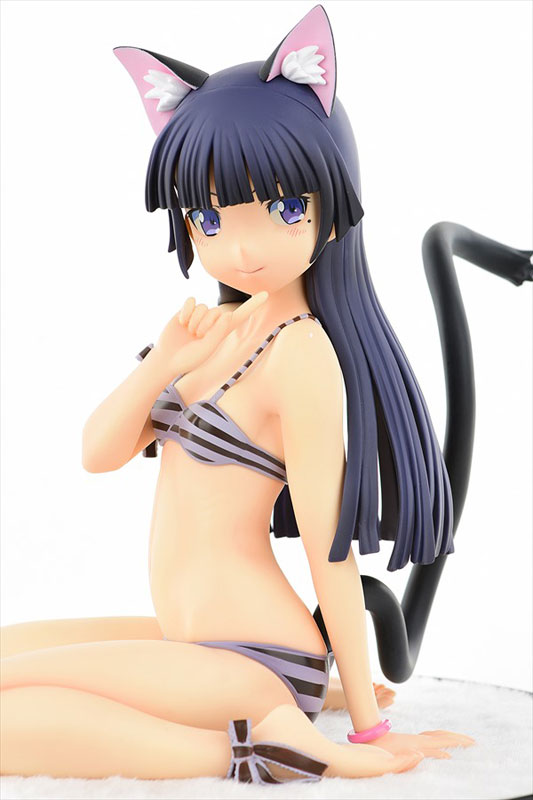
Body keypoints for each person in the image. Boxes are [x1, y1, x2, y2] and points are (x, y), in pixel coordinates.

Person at [1, 5, 478, 784]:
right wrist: (162, 362)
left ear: (333, 209)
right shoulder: (213, 330)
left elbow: (328, 548)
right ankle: (280, 725)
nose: (241, 247)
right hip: (187, 642)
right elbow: (97, 454)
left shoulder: (303, 354)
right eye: (208, 217)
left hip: (257, 661)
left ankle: (266, 750)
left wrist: (366, 726)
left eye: (284, 208)